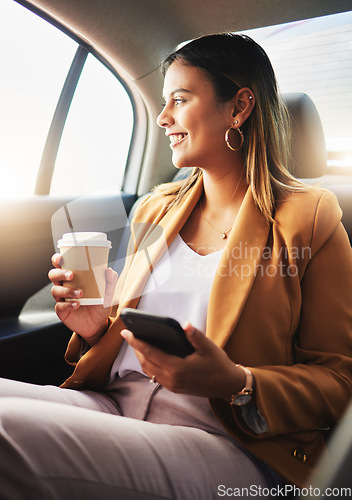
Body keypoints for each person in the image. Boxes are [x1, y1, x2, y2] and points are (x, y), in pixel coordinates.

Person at [0, 33, 351, 499]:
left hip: (231, 441)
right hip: (117, 404)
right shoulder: (155, 209)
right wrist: (94, 328)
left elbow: (340, 381)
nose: (163, 118)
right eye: (163, 103)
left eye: (179, 100)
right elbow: (128, 345)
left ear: (239, 107)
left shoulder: (309, 217)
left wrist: (237, 382)